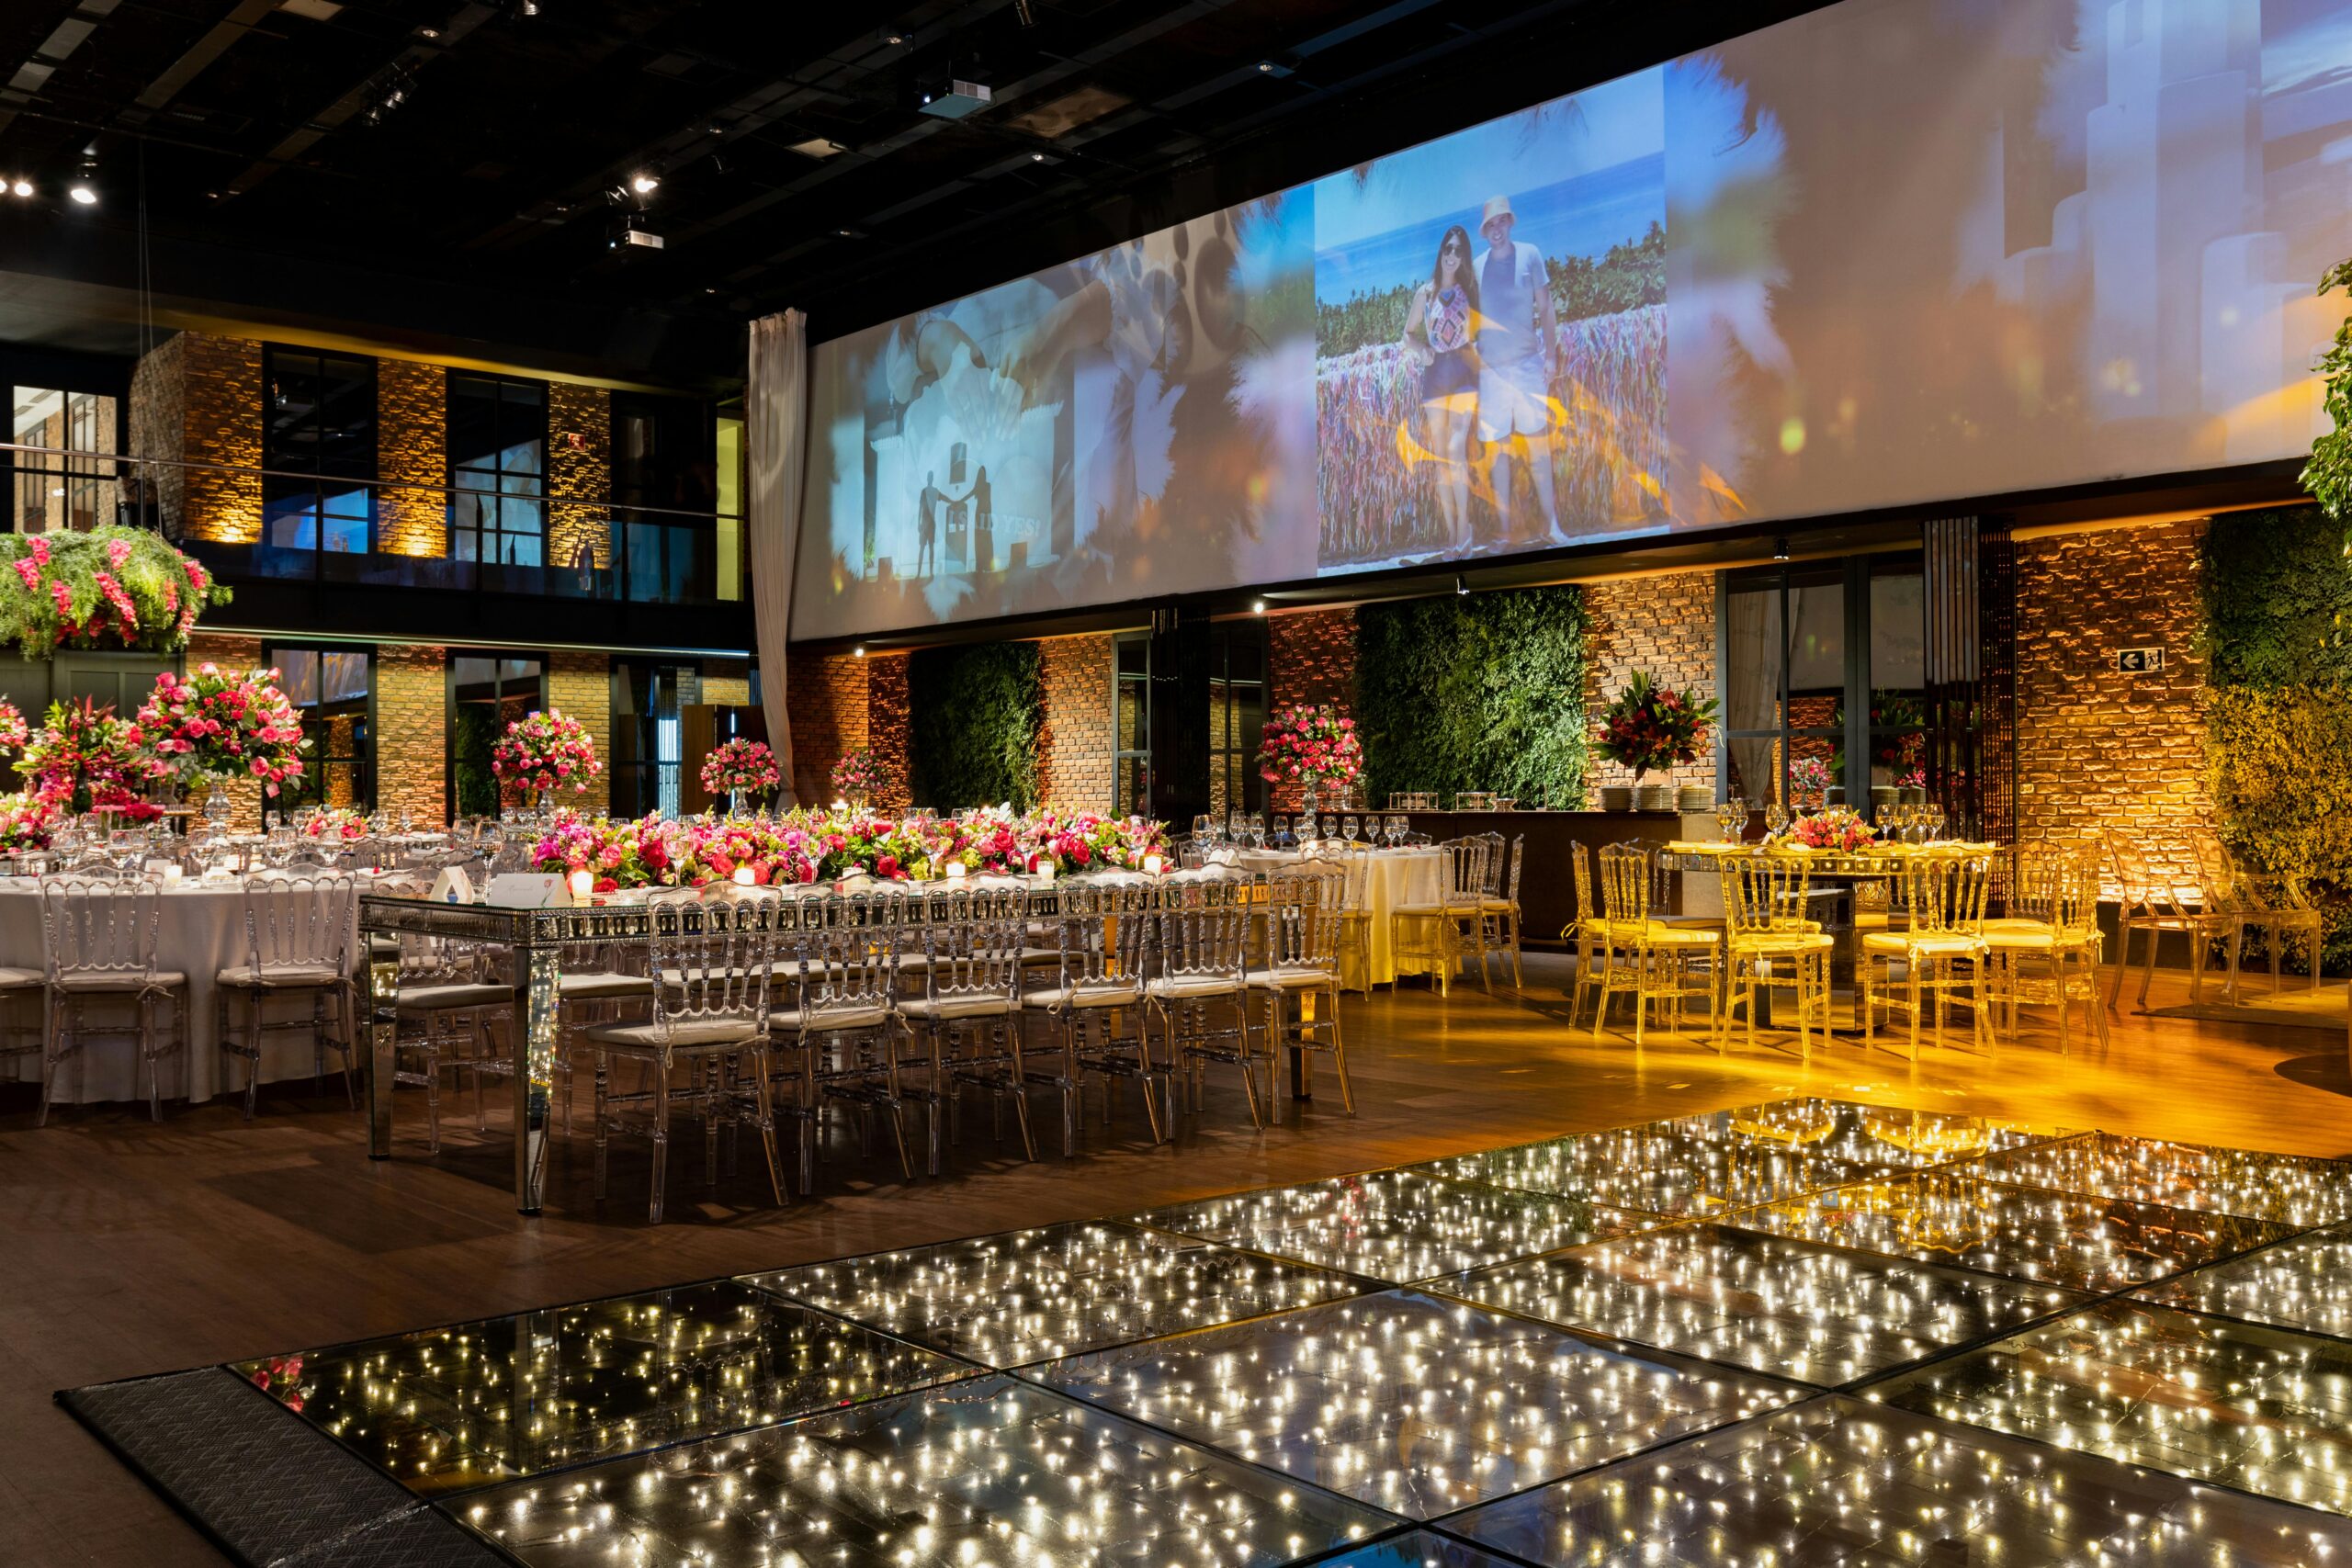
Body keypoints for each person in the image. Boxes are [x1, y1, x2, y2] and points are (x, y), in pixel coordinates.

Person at [1472, 195, 1565, 547]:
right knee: (1498, 456)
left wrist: (1551, 356)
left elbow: (1546, 307)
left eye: (1501, 222)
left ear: (1510, 222)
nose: (1497, 229)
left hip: (1527, 365)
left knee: (1538, 449)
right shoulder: (1476, 267)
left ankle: (1551, 525)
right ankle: (1507, 531)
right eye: (1490, 225)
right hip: (1492, 373)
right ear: (1485, 232)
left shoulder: (1530, 254)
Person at [1401, 223, 1480, 555]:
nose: (1452, 255)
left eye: (1458, 250)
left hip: (1462, 372)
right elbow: (1406, 335)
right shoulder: (1426, 293)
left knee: (1455, 449)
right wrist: (1422, 350)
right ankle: (1452, 534)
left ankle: (1465, 528)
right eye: (1448, 248)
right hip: (1435, 377)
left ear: (1464, 257)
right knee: (1440, 459)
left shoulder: (1470, 288)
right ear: (1440, 252)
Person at [961, 465, 994, 574]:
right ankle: (980, 565)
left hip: (986, 515)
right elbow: (968, 495)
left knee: (987, 540)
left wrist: (991, 517)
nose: (982, 474)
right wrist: (959, 501)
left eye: (983, 472)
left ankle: (987, 565)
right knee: (979, 541)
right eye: (981, 473)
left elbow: (989, 501)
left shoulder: (987, 485)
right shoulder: (978, 487)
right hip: (979, 514)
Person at [914, 470, 944, 579]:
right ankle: (918, 573)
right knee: (922, 548)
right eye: (929, 476)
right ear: (928, 478)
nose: (930, 478)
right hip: (924, 524)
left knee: (931, 548)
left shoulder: (935, 491)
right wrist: (918, 523)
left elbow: (943, 497)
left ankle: (931, 572)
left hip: (931, 524)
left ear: (932, 478)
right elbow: (920, 508)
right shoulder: (924, 491)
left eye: (931, 476)